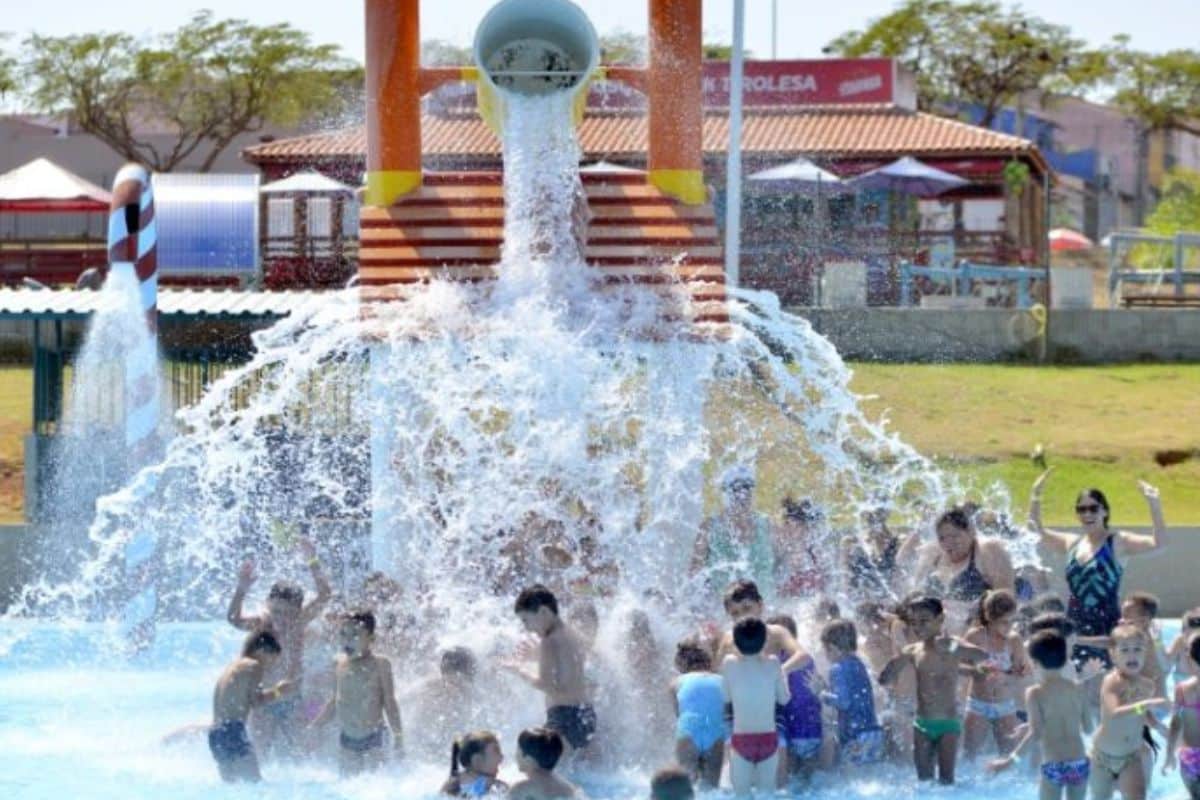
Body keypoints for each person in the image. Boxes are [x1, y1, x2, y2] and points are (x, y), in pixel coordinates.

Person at [1029, 472, 1166, 669]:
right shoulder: (1072, 543)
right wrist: (1036, 495)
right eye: (1082, 509)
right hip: (1074, 626)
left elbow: (1158, 544)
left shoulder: (1118, 542)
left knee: (1107, 684)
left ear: (1105, 511)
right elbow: (1034, 530)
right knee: (1076, 683)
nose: (1087, 514)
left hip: (1108, 629)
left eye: (1093, 508)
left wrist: (1154, 504)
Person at [226, 538, 332, 754]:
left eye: (288, 614)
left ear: (298, 611)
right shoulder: (262, 625)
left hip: (293, 701)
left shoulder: (300, 623)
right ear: (268, 606)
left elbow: (325, 595)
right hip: (263, 702)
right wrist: (241, 590)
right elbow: (233, 618)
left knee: (304, 755)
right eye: (276, 612)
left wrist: (312, 560)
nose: (281, 620)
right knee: (259, 754)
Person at [880, 595, 989, 785]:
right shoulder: (913, 650)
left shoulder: (950, 645)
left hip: (948, 724)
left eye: (924, 621)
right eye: (914, 622)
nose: (918, 627)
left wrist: (954, 646)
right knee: (924, 783)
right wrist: (895, 660)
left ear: (940, 620)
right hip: (922, 724)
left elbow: (981, 655)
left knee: (946, 782)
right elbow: (884, 679)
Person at [988, 630, 1093, 800]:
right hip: (1079, 762)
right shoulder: (1078, 689)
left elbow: (1036, 733)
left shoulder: (1035, 693)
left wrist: (1010, 761)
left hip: (1053, 763)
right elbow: (1089, 728)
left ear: (1035, 662)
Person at [311, 610, 404, 776]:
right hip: (347, 739)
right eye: (343, 634)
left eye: (355, 634)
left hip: (374, 738)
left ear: (371, 638)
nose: (347, 640)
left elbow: (390, 703)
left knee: (375, 788)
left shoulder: (380, 664)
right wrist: (316, 725)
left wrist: (398, 735)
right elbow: (335, 700)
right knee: (348, 785)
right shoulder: (339, 664)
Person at [506, 584, 596, 754]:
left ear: (544, 612)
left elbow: (546, 684)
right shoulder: (571, 632)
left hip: (563, 719)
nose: (526, 628)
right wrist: (537, 656)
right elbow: (569, 673)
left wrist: (519, 669)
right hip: (585, 716)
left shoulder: (549, 641)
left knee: (539, 770)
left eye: (526, 620)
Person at [1089, 624, 1169, 800]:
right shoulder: (1112, 681)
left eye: (1137, 649)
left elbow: (1141, 715)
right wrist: (1146, 704)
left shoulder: (1147, 685)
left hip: (1130, 757)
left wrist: (1158, 726)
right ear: (1113, 655)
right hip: (1102, 757)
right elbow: (1114, 713)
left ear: (1145, 653)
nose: (1132, 655)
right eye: (1124, 650)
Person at [208, 630, 295, 783]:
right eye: (271, 660)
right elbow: (256, 702)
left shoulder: (233, 666)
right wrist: (278, 691)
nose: (269, 667)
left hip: (215, 734)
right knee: (256, 786)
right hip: (232, 730)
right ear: (262, 651)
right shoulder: (254, 665)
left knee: (232, 789)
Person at [910, 507, 1015, 633]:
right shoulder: (933, 553)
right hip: (936, 637)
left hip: (976, 636)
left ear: (971, 532)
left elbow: (1006, 600)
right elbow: (914, 595)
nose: (949, 543)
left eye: (955, 536)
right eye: (942, 538)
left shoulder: (988, 550)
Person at [722, 617, 791, 796]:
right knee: (768, 794)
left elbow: (725, 697)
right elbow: (784, 699)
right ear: (765, 641)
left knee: (742, 795)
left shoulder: (729, 663)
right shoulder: (774, 663)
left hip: (741, 740)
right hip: (769, 739)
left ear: (735, 642)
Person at [690, 466, 782, 601]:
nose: (742, 495)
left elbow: (783, 566)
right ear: (725, 493)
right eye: (735, 489)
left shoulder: (768, 525)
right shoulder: (709, 528)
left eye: (747, 488)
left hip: (765, 606)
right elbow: (695, 573)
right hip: (722, 610)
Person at [962, 589, 1030, 759]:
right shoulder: (975, 637)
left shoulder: (1014, 640)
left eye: (1012, 621)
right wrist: (977, 671)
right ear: (990, 619)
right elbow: (958, 665)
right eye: (1004, 622)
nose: (1010, 627)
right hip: (978, 704)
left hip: (1005, 705)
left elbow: (1020, 673)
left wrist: (1009, 675)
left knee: (1009, 760)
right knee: (969, 758)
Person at [811, 619, 885, 766]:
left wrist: (821, 693)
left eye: (825, 650)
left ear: (832, 648)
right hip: (873, 732)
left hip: (855, 736)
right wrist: (827, 688)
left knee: (851, 781)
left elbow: (844, 702)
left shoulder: (836, 668)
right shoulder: (858, 663)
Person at [767, 614, 824, 780]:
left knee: (791, 777)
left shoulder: (777, 662)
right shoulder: (808, 660)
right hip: (813, 731)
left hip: (792, 731)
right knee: (809, 778)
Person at [715, 580, 810, 672]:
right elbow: (717, 672)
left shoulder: (776, 633)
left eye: (747, 608)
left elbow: (803, 656)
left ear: (760, 605)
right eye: (735, 613)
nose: (742, 616)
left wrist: (780, 672)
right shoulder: (729, 640)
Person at [670, 640, 727, 788]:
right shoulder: (723, 680)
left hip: (688, 731)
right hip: (715, 732)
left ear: (681, 665)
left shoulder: (676, 682)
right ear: (708, 662)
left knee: (686, 788)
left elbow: (679, 713)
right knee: (712, 789)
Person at [1164, 633, 1200, 799]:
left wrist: (1169, 754)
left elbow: (1175, 723)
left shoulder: (1182, 689)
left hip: (1190, 757)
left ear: (1190, 658)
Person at [509, 728, 578, 800]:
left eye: (518, 750)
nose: (515, 756)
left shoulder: (522, 789)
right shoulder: (569, 789)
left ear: (528, 758)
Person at [777, 497, 828, 596]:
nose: (787, 529)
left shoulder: (818, 556)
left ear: (805, 527)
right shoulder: (779, 555)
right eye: (785, 524)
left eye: (793, 525)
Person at [441, 731, 508, 797]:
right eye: (496, 752)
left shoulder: (451, 784)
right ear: (477, 760)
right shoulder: (493, 785)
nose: (501, 757)